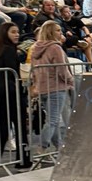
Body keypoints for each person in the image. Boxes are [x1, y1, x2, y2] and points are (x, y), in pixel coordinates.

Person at [0, 22, 31, 167]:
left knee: (4, 128)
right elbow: (11, 74)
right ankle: (23, 160)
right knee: (18, 128)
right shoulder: (8, 51)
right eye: (13, 32)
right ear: (5, 34)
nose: (17, 34)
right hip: (10, 95)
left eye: (18, 32)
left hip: (1, 96)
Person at [30, 20, 74, 153]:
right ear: (50, 32)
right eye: (58, 30)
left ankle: (59, 147)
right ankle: (42, 146)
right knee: (53, 120)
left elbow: (33, 70)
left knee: (52, 119)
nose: (60, 33)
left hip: (42, 88)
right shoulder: (55, 48)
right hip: (56, 87)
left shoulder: (35, 48)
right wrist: (70, 81)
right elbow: (62, 70)